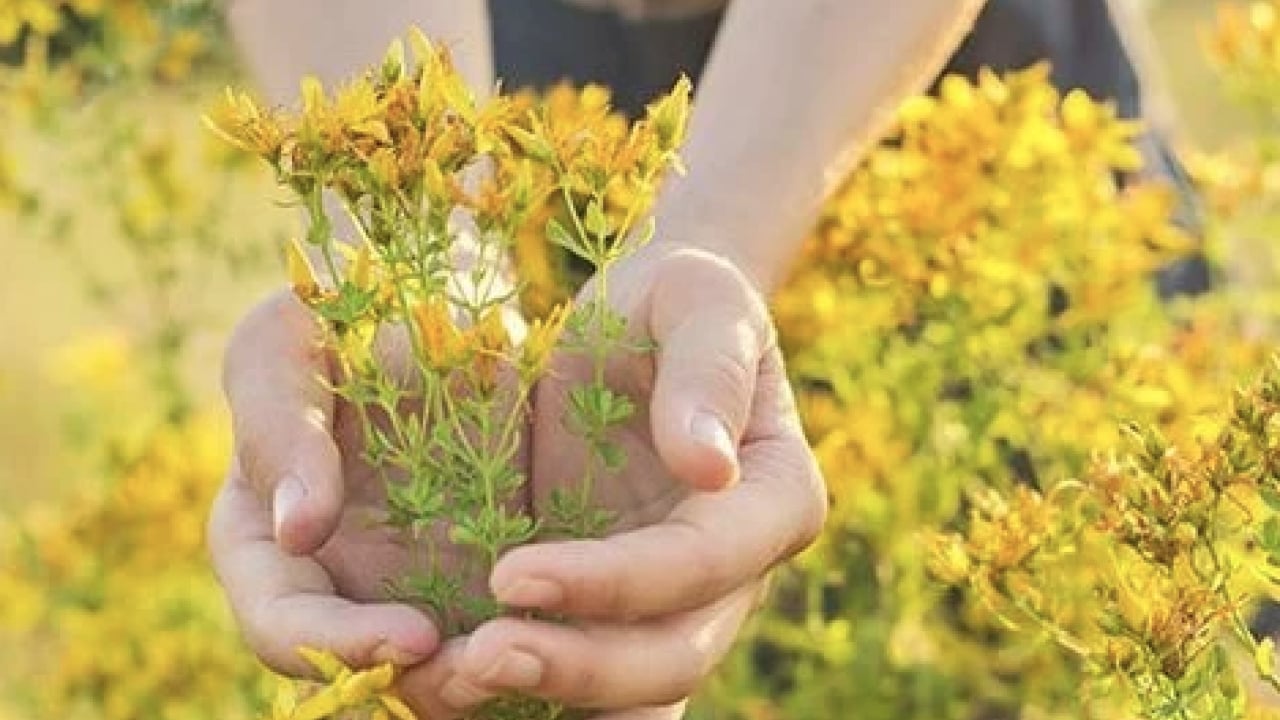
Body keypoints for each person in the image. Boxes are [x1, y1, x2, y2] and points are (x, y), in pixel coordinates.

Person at [209, 1, 1195, 718]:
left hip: (945, 93)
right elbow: (419, 244)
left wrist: (714, 236)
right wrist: (413, 262)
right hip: (513, 64)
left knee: (1086, 636)